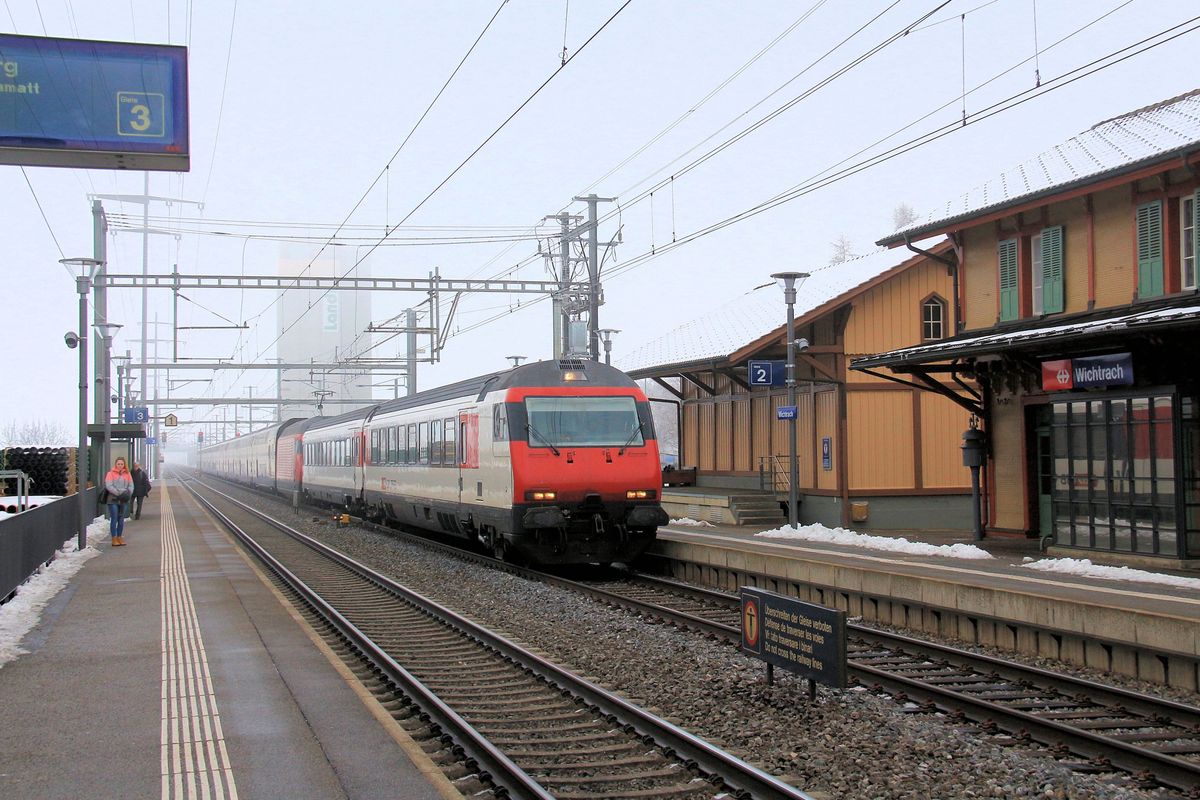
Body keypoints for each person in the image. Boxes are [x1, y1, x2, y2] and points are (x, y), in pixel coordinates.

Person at [104, 457, 134, 546]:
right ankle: (114, 538)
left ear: (124, 465)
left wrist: (128, 493)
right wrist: (118, 493)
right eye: (118, 464)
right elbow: (109, 486)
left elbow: (131, 485)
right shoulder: (110, 474)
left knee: (121, 519)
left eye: (122, 464)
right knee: (114, 518)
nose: (120, 465)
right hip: (113, 499)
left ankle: (119, 537)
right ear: (115, 464)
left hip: (124, 499)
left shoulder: (127, 474)